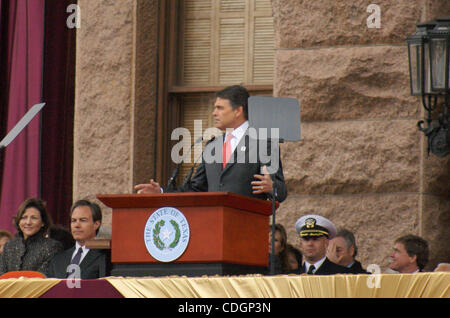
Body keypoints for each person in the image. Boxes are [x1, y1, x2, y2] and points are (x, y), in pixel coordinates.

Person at [134, 85, 287, 203]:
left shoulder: (263, 142)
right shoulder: (212, 145)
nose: (214, 113)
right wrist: (161, 192)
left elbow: (281, 191)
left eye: (220, 108)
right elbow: (196, 189)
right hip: (213, 227)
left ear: (238, 111)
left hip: (246, 228)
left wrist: (272, 187)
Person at [47, 200, 110, 279]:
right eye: (73, 220)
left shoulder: (105, 257)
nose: (77, 225)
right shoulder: (57, 259)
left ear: (96, 224)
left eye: (83, 220)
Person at [0, 198, 63, 276]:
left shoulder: (52, 247)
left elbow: (42, 278)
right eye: (24, 217)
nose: (28, 222)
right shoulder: (9, 247)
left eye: (34, 218)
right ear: (18, 221)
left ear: (43, 222)